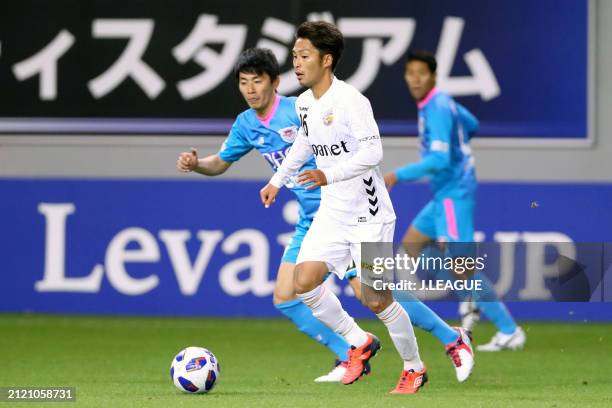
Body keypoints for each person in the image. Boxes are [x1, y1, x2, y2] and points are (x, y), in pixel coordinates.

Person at [260, 21, 427, 394]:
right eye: (294, 57)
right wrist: (276, 181)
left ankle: (414, 367)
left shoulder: (351, 101)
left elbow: (373, 153)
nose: (297, 64)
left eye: (304, 56)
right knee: (303, 281)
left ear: (327, 60)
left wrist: (328, 175)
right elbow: (303, 144)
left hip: (369, 215)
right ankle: (359, 341)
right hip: (334, 213)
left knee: (374, 297)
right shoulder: (304, 103)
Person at [176, 48, 362, 381]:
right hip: (310, 220)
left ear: (275, 82)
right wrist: (196, 164)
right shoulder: (246, 124)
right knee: (285, 297)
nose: (250, 89)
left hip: (341, 213)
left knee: (375, 293)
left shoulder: (298, 110)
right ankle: (348, 353)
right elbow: (219, 162)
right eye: (243, 82)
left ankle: (449, 338)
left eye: (257, 81)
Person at [384, 50, 526, 352]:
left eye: (422, 72)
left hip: (453, 193)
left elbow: (438, 159)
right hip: (444, 194)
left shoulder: (436, 107)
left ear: (433, 75)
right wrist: (461, 147)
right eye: (410, 73)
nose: (415, 78)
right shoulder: (441, 103)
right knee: (412, 246)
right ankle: (468, 298)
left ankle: (508, 328)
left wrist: (397, 175)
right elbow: (471, 123)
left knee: (461, 266)